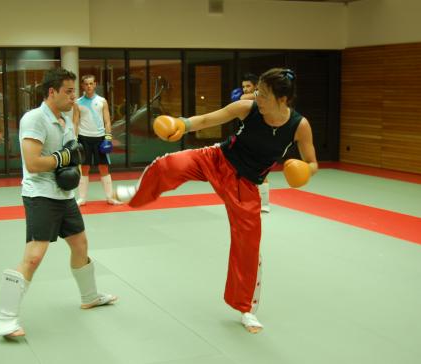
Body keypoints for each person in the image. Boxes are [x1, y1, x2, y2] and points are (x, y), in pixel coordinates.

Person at [114, 68, 318, 334]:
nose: (257, 97)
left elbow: (312, 161)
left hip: (246, 185)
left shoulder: (299, 126)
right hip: (218, 160)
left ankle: (245, 309)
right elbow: (208, 119)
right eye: (257, 91)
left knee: (248, 246)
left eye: (264, 95)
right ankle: (138, 193)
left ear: (283, 100)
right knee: (169, 164)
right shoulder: (248, 108)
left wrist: (306, 171)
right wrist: (181, 124)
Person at [0, 68, 117, 339]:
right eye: (69, 91)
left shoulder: (64, 118)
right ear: (52, 92)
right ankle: (7, 319)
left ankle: (90, 296)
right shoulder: (34, 119)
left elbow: (72, 152)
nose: (74, 96)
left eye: (75, 91)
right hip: (40, 196)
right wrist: (64, 158)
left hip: (64, 197)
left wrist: (73, 156)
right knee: (34, 256)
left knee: (80, 244)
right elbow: (33, 163)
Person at [73, 75, 121, 205]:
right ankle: (82, 198)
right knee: (84, 168)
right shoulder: (78, 103)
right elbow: (75, 123)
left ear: (95, 84)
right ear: (83, 86)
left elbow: (107, 121)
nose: (89, 86)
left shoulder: (102, 101)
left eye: (91, 83)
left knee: (104, 167)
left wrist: (108, 138)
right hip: (84, 138)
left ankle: (110, 197)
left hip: (100, 138)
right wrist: (74, 140)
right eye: (86, 84)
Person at [232, 73, 270, 213]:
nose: (245, 89)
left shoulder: (262, 94)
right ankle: (244, 200)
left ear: (255, 86)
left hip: (263, 137)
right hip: (246, 137)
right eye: (243, 86)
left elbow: (242, 97)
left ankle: (265, 203)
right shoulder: (247, 101)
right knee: (239, 170)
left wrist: (243, 96)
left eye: (248, 86)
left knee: (261, 172)